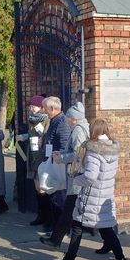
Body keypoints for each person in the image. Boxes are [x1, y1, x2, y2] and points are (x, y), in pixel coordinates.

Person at [50, 118, 130, 260]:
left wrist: (75, 180)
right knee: (106, 229)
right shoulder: (112, 149)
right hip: (104, 195)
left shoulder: (94, 151)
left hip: (91, 197)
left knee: (77, 227)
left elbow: (90, 177)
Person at [40, 101, 89, 249]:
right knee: (71, 210)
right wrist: (61, 154)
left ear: (74, 118)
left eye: (69, 117)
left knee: (69, 210)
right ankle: (56, 240)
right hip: (77, 174)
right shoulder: (80, 128)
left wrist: (61, 158)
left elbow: (77, 154)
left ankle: (56, 241)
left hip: (76, 175)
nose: (67, 120)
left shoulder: (78, 130)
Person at [15, 95, 50, 227]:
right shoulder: (32, 119)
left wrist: (42, 138)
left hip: (41, 155)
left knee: (43, 187)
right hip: (32, 154)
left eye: (34, 106)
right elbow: (31, 135)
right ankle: (41, 214)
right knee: (37, 187)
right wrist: (23, 137)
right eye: (31, 106)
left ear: (41, 107)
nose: (31, 108)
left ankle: (46, 216)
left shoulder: (45, 119)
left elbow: (46, 135)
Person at [40, 96, 71, 232]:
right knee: (53, 195)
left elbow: (64, 144)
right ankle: (56, 226)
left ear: (52, 108)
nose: (44, 111)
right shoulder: (54, 120)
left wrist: (59, 157)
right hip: (53, 162)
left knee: (59, 197)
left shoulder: (62, 122)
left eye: (46, 109)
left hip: (58, 165)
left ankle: (61, 227)